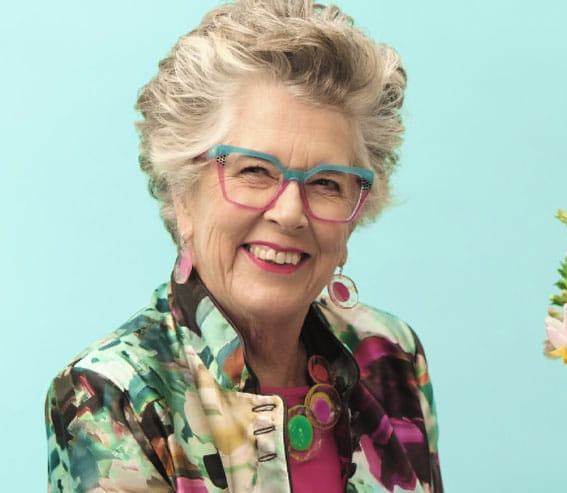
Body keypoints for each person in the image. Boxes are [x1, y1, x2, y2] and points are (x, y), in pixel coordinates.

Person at [44, 1, 441, 491]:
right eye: (255, 171)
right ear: (182, 194)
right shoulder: (113, 392)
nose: (290, 213)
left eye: (327, 183)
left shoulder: (389, 355)